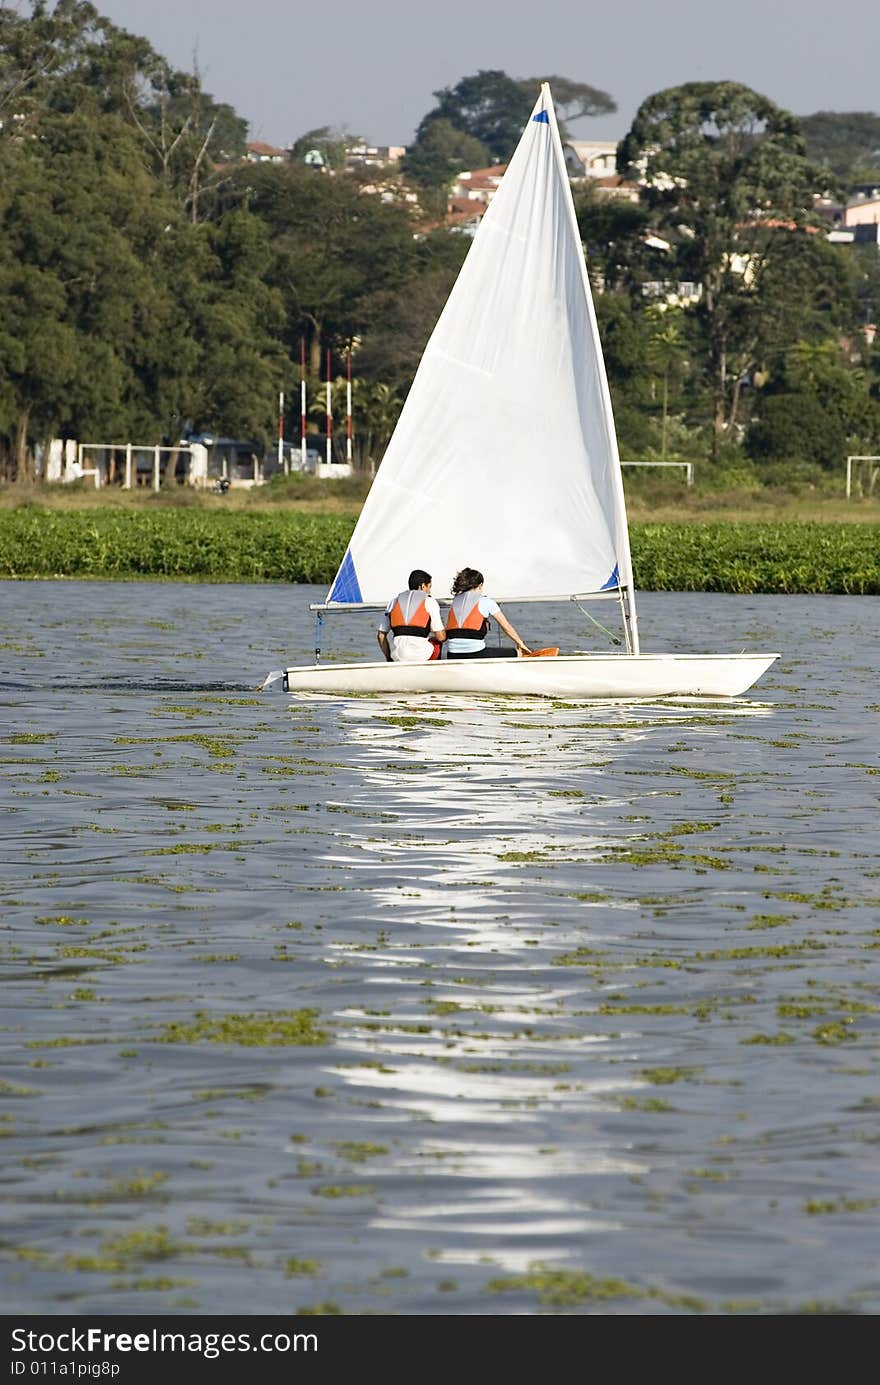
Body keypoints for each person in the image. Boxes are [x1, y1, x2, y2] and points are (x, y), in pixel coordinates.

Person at [444, 567, 539, 659]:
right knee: (516, 653)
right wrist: (520, 644)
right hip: (476, 653)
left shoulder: (456, 601)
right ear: (480, 585)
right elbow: (506, 626)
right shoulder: (486, 601)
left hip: (452, 655)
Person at [377, 570, 446, 663]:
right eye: (429, 587)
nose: (429, 591)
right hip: (421, 656)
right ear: (422, 586)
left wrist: (389, 659)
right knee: (437, 643)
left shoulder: (393, 602)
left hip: (397, 656)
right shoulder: (430, 601)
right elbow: (441, 637)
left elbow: (381, 636)